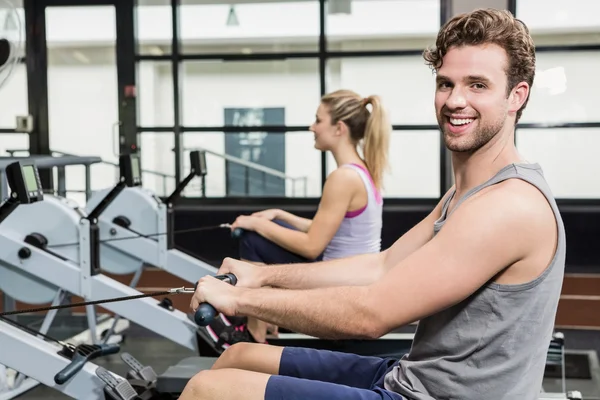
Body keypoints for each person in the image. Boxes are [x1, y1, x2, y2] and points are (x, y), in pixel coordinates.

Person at [182, 8, 566, 400]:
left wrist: (240, 299)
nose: (455, 100)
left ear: (516, 96)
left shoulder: (509, 205)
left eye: (478, 85)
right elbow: (380, 266)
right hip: (413, 377)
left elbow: (371, 315)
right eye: (446, 84)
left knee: (207, 389)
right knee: (240, 356)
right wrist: (260, 276)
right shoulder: (465, 195)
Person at [202, 89, 391, 346]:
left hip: (341, 279)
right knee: (269, 228)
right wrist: (280, 215)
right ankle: (264, 324)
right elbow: (327, 228)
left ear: (339, 129)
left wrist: (256, 223)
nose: (312, 127)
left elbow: (312, 245)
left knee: (252, 237)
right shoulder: (361, 170)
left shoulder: (343, 178)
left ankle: (255, 334)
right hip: (352, 270)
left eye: (318, 120)